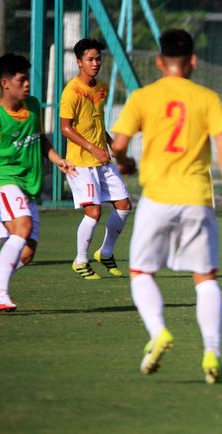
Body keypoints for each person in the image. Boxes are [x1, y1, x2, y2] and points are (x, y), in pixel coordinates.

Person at [110, 29, 222, 384]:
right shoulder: (207, 97)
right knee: (205, 278)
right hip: (197, 198)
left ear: (158, 62)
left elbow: (118, 145)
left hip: (157, 198)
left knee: (140, 272)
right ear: (193, 61)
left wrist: (124, 163)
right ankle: (211, 353)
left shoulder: (142, 97)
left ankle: (158, 332)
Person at [0, 53, 75, 314]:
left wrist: (57, 159)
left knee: (26, 253)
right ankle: (0, 294)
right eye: (22, 80)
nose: (27, 84)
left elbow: (40, 139)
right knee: (23, 226)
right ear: (5, 83)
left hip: (25, 183)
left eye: (28, 79)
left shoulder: (33, 106)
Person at [61, 38, 132, 280]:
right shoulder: (71, 91)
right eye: (90, 59)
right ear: (79, 62)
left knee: (124, 205)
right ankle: (81, 260)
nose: (95, 63)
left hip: (102, 158)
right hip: (81, 162)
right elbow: (66, 128)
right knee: (93, 213)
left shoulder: (101, 88)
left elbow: (98, 124)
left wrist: (113, 146)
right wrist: (94, 148)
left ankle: (106, 252)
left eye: (98, 58)